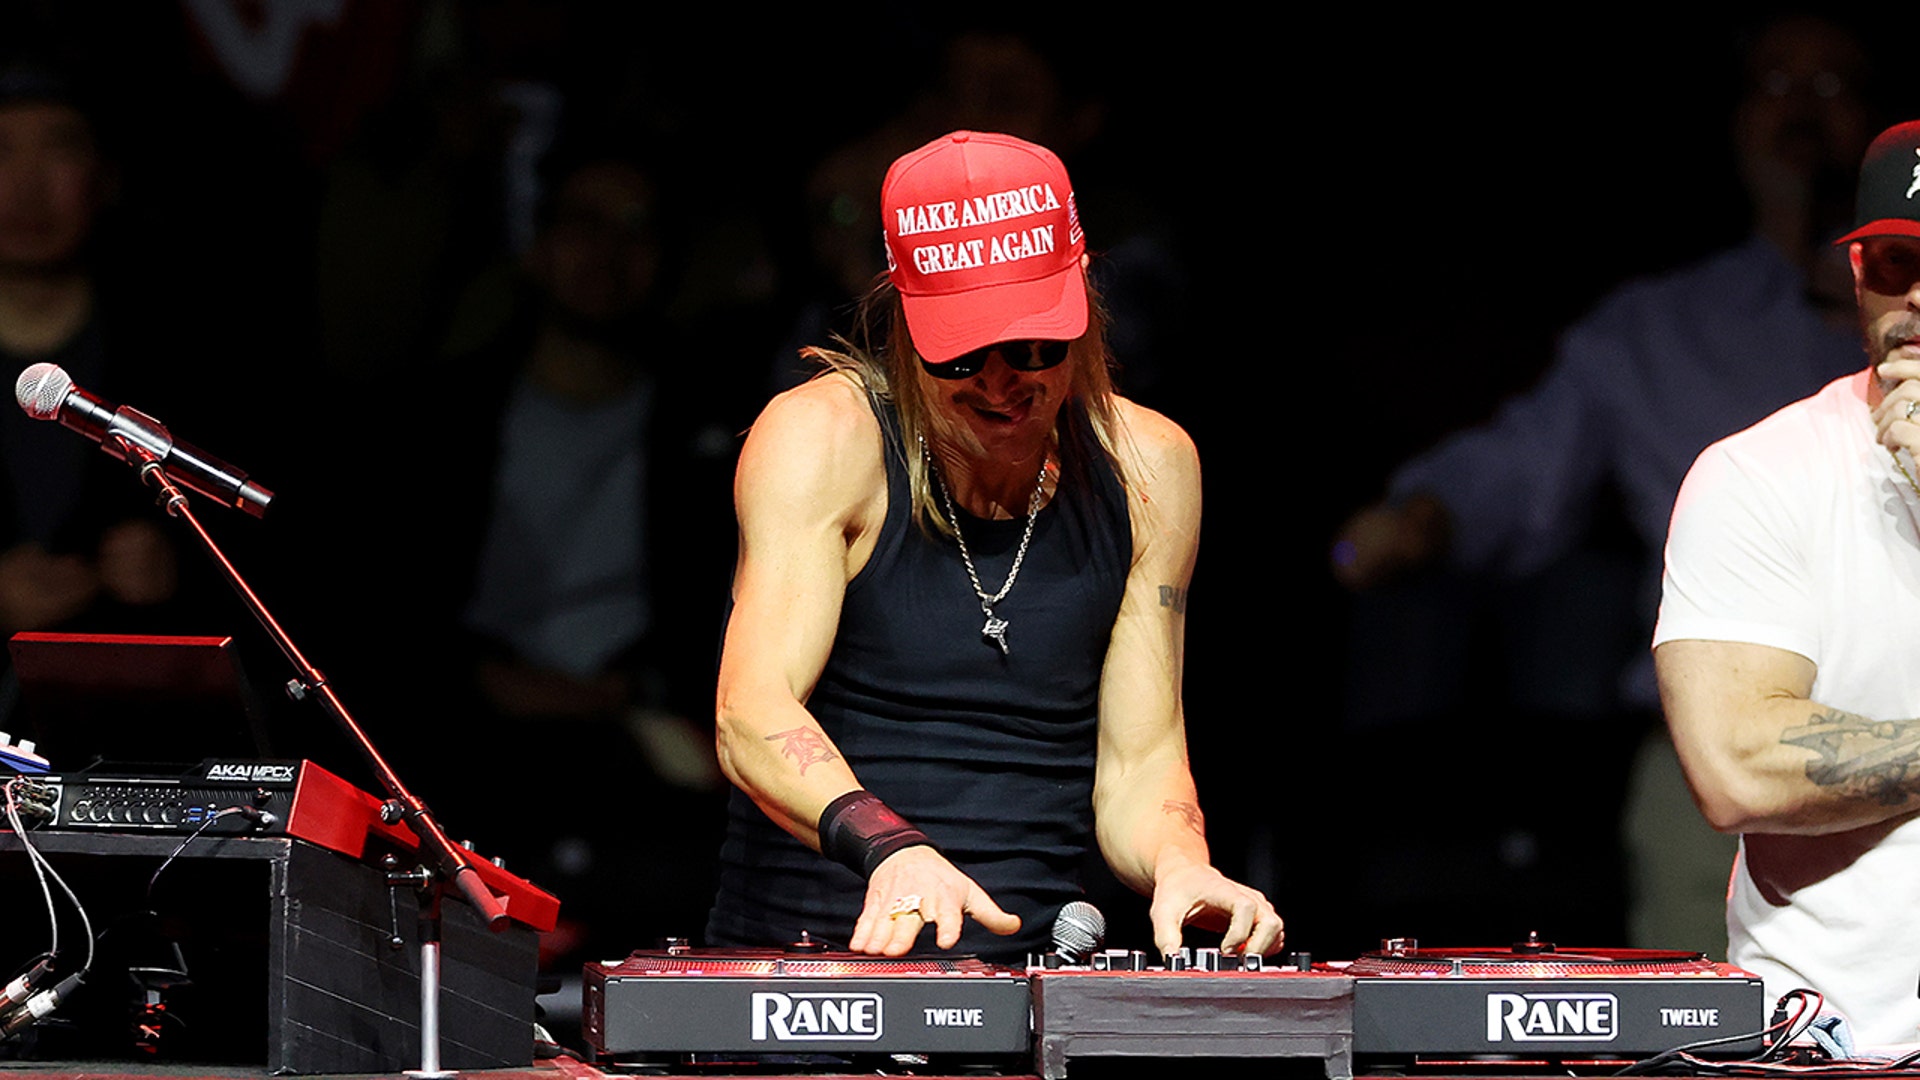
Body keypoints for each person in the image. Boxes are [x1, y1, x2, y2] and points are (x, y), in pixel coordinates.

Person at [1329, 16, 1872, 955]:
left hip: (1904, 714)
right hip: (1725, 745)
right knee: (1726, 1029)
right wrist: (1418, 517)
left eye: (1830, 88)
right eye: (1775, 83)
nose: (1800, 111)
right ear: (1737, 121)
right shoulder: (1656, 329)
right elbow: (1526, 460)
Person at [705, 131, 1280, 961]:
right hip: (804, 977)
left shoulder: (1149, 467)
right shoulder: (824, 439)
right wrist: (892, 848)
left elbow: (1140, 760)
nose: (1002, 380)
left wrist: (1182, 864)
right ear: (905, 323)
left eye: (1035, 344)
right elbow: (750, 715)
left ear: (1084, 307)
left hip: (1027, 991)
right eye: (964, 350)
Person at [1655, 119, 1920, 1048]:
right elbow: (1736, 764)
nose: (1915, 297)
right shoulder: (1759, 474)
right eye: (1893, 261)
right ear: (1855, 274)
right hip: (1837, 1040)